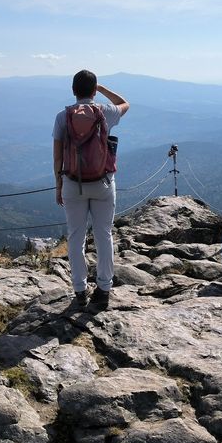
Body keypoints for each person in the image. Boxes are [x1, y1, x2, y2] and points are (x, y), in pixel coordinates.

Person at [53, 70, 129, 308]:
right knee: (103, 234)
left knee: (76, 237)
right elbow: (125, 103)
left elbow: (57, 156)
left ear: (73, 91)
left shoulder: (62, 117)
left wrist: (59, 184)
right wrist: (103, 90)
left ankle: (79, 290)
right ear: (94, 90)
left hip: (73, 183)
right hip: (102, 183)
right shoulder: (105, 112)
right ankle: (104, 289)